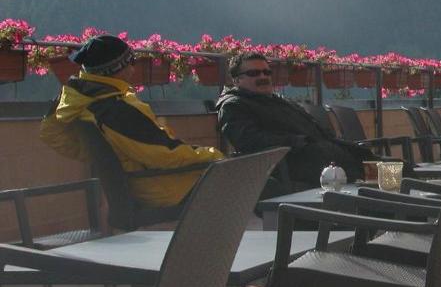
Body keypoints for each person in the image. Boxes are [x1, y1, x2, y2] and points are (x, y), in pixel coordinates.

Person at [40, 35, 224, 207]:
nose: (134, 68)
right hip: (165, 187)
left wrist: (103, 158)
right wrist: (215, 156)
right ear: (117, 69)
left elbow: (51, 134)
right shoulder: (115, 109)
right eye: (131, 61)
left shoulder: (80, 99)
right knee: (231, 183)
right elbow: (164, 154)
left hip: (138, 182)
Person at [215, 52, 378, 187]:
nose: (263, 76)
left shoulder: (279, 100)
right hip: (292, 164)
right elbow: (249, 141)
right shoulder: (233, 106)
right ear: (236, 80)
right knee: (372, 180)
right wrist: (295, 141)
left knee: (383, 165)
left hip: (324, 154)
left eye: (267, 72)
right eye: (254, 73)